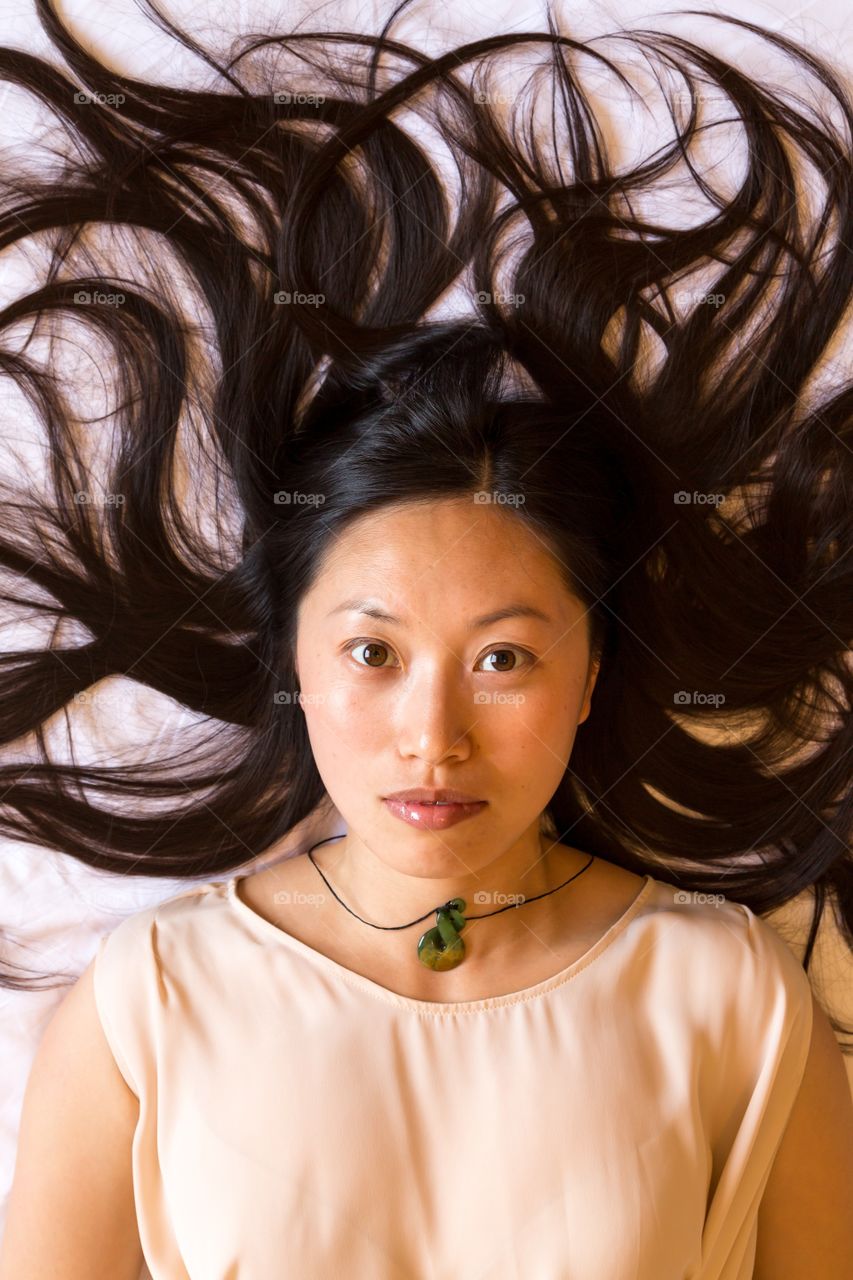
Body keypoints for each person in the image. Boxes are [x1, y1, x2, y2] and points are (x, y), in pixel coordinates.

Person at [0, 0, 851, 1275]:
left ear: (590, 674)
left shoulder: (726, 998)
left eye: (504, 655)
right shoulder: (149, 1004)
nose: (432, 737)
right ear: (294, 660)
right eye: (373, 651)